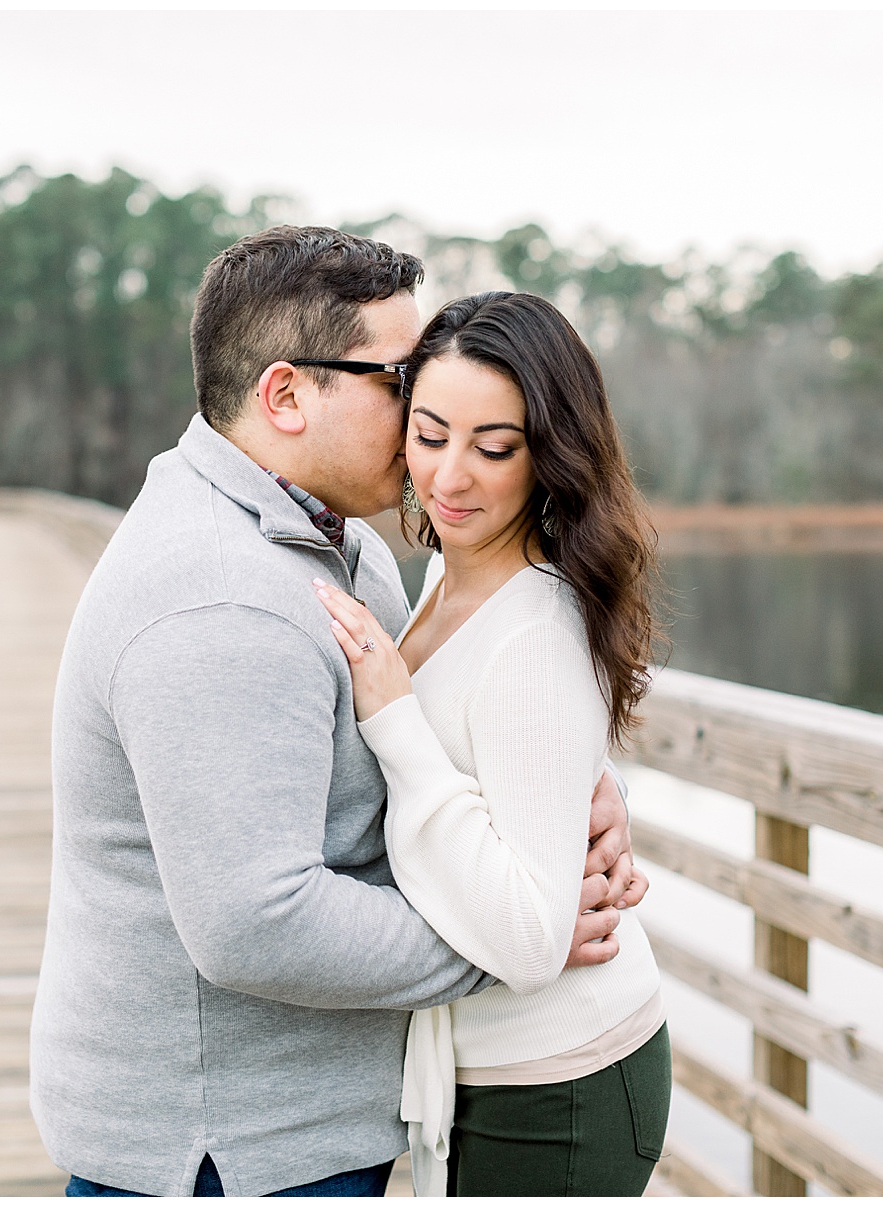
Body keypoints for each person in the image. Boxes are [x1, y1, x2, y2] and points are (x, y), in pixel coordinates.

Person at [29, 227, 646, 1197]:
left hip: (296, 1125)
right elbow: (256, 924)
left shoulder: (331, 542)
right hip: (227, 1151)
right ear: (286, 394)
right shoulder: (221, 601)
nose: (422, 414)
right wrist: (516, 937)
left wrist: (566, 785)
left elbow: (436, 718)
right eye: (397, 381)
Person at [314, 290, 670, 1196]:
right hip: (491, 1075)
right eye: (430, 436)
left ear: (549, 453)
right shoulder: (440, 572)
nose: (450, 478)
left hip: (560, 1087)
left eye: (494, 448)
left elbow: (525, 936)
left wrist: (395, 724)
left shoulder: (536, 628)